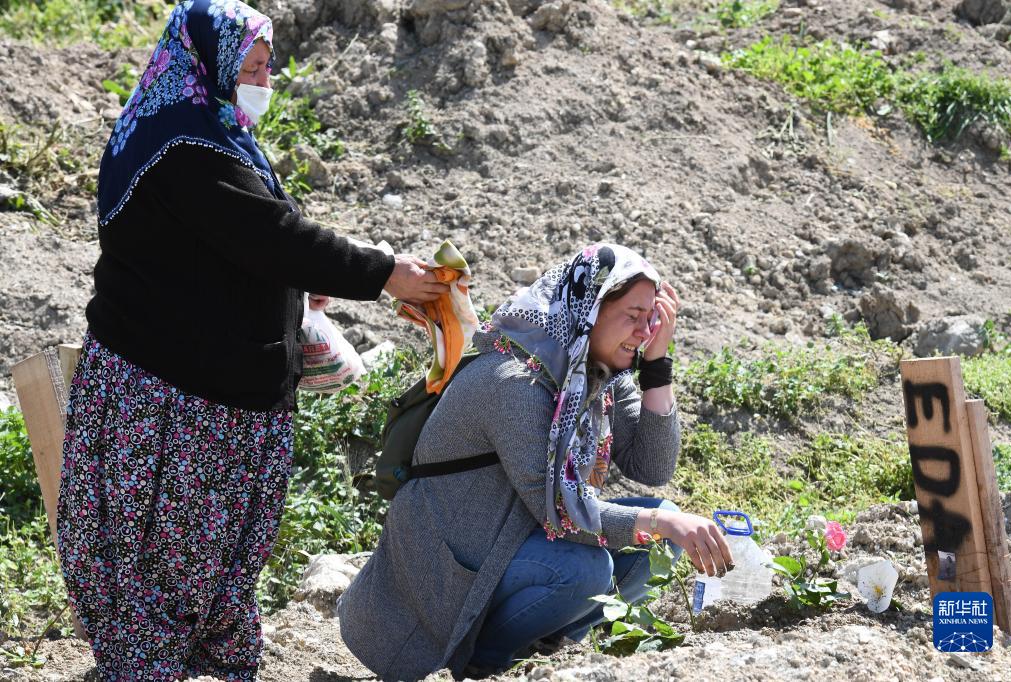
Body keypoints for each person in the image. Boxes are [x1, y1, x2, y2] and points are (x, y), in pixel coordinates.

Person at [55, 2, 444, 680]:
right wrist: (382, 275)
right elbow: (267, 235)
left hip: (218, 399)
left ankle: (195, 661)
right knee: (167, 560)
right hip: (173, 403)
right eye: (251, 67)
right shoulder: (182, 144)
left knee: (211, 564)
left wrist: (296, 287)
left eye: (267, 67)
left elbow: (228, 248)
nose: (263, 80)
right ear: (208, 63)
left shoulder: (212, 131)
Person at [338, 243, 734, 680]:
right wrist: (657, 523)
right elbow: (562, 513)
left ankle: (540, 651)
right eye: (632, 316)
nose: (644, 331)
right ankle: (480, 666)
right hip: (444, 574)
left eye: (651, 318)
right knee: (587, 567)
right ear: (589, 310)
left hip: (515, 546)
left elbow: (652, 467)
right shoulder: (516, 380)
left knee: (662, 531)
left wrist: (657, 363)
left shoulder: (596, 371)